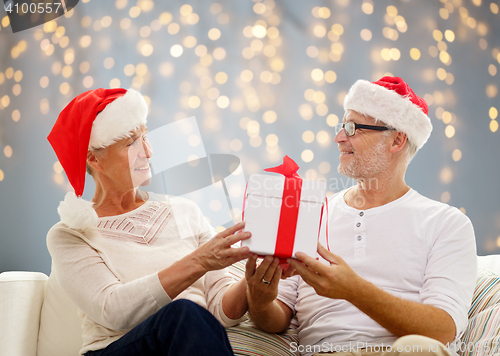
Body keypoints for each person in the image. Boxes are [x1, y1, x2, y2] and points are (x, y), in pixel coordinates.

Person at [245, 76, 477, 356]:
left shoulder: (446, 223)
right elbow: (277, 317)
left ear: (397, 140)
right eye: (342, 126)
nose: (339, 137)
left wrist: (353, 290)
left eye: (353, 127)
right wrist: (260, 302)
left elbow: (442, 330)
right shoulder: (311, 211)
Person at [46, 88, 256, 356]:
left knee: (187, 317)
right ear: (93, 158)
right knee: (184, 314)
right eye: (131, 143)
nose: (147, 151)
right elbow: (112, 310)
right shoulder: (70, 234)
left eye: (145, 136)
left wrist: (252, 281)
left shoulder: (185, 211)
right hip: (115, 350)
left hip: (185, 344)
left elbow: (220, 311)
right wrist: (199, 261)